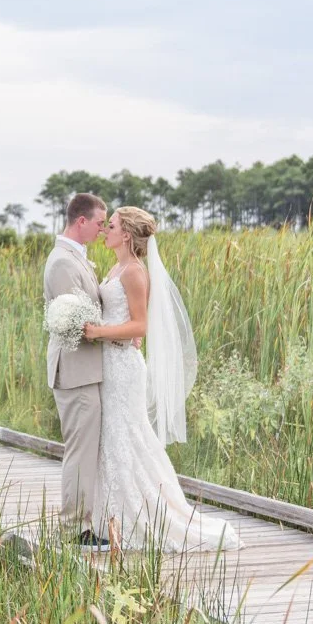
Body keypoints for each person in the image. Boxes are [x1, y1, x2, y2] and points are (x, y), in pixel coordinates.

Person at [81, 206, 242, 551]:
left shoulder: (135, 272)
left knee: (126, 438)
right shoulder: (116, 266)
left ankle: (129, 522)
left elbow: (141, 325)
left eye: (111, 226)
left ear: (125, 234)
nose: (105, 230)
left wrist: (97, 332)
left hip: (123, 369)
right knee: (112, 441)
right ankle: (109, 521)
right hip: (110, 365)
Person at [43, 192, 121, 553]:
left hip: (86, 370)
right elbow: (77, 322)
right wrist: (118, 331)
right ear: (82, 222)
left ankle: (82, 521)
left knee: (87, 449)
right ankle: (74, 529)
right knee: (80, 450)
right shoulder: (62, 263)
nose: (103, 230)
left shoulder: (76, 259)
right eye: (100, 223)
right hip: (74, 371)